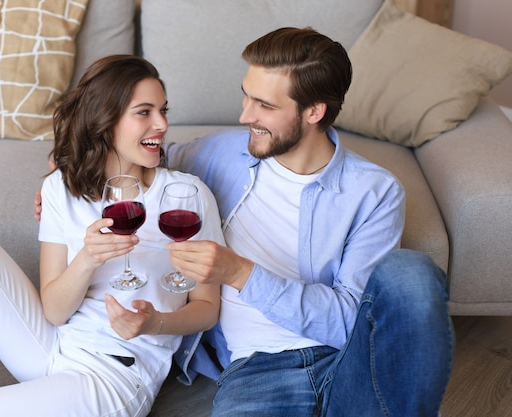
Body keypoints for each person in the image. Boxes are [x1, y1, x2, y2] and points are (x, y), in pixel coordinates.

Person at [0, 55, 224, 417]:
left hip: (114, 374)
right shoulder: (61, 188)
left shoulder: (187, 196)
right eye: (144, 112)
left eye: (163, 110)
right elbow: (55, 310)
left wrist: (156, 322)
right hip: (50, 345)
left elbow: (207, 307)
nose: (162, 124)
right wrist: (87, 259)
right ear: (104, 120)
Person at [161, 27, 455, 416]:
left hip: (347, 362)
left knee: (411, 271)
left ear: (313, 111)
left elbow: (348, 322)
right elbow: (141, 156)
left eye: (264, 105)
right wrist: (65, 177)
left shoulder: (374, 191)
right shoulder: (221, 152)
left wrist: (241, 274)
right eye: (246, 95)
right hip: (256, 372)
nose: (244, 115)